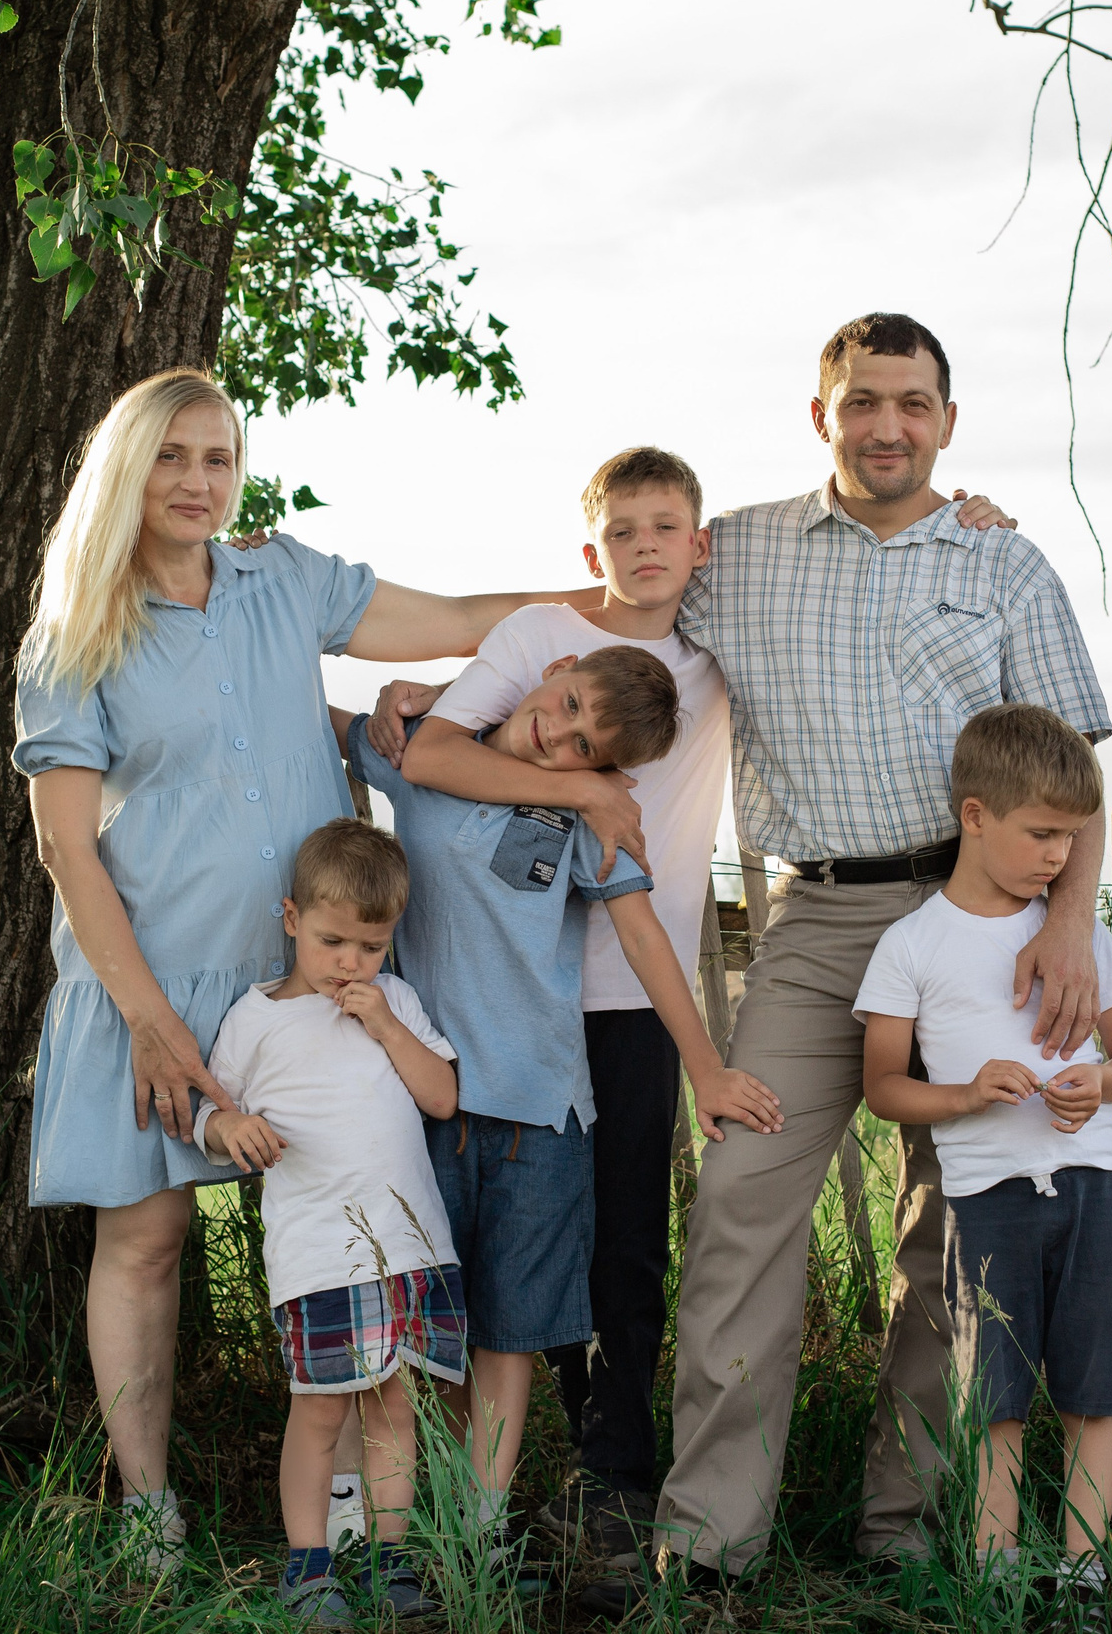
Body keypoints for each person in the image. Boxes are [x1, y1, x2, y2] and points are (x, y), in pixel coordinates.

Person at [11, 366, 596, 1573]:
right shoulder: (77, 630)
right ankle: (152, 1511)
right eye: (171, 456)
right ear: (126, 468)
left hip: (315, 976)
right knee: (147, 1241)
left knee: (363, 1211)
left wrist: (609, 598)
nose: (195, 480)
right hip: (154, 980)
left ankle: (352, 1515)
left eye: (217, 458)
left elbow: (449, 618)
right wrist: (153, 1023)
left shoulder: (284, 581)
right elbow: (66, 846)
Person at [646, 312, 1112, 1596]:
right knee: (743, 1214)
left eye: (912, 403)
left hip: (978, 926)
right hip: (816, 922)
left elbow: (1078, 770)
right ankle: (709, 1543)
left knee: (959, 1235)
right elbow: (605, 600)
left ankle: (902, 1526)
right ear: (822, 417)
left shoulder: (1002, 564)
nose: (887, 426)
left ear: (947, 421)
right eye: (862, 402)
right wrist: (427, 696)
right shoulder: (731, 555)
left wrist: (1067, 922)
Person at [340, 647, 779, 1590]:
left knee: (510, 1332)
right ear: (558, 666)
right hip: (425, 1104)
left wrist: (705, 1066)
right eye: (568, 703)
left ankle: (480, 1527)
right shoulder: (423, 751)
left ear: (608, 771)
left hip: (540, 1112)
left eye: (587, 745)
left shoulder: (583, 817)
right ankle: (401, 1525)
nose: (559, 732)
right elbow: (319, 726)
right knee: (434, 1329)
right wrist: (395, 693)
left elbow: (644, 936)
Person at [384, 446, 738, 1568]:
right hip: (506, 994)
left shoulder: (716, 653)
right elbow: (435, 748)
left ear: (698, 542)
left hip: (631, 990)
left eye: (667, 527)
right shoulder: (545, 637)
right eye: (624, 529)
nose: (647, 547)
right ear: (595, 548)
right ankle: (461, 1480)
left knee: (624, 1234)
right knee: (509, 1232)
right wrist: (579, 784)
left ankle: (612, 1471)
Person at [853, 704, 1112, 1623]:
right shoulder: (913, 944)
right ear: (975, 815)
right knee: (998, 1397)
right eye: (1042, 832)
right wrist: (968, 1093)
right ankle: (996, 1570)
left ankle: (1085, 1578)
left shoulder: (1079, 938)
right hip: (985, 1201)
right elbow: (882, 1088)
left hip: (1092, 1189)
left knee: (1092, 1390)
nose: (1062, 854)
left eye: (1071, 835)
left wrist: (1096, 1084)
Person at [196, 819, 466, 1627]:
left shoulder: (400, 1003)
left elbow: (443, 1097)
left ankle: (391, 1559)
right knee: (319, 1411)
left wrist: (384, 1022)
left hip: (409, 1244)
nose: (351, 962)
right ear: (290, 919)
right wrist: (227, 1129)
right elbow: (209, 1114)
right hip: (318, 1251)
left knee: (393, 1407)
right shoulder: (255, 1019)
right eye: (332, 940)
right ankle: (308, 1564)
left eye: (371, 946)